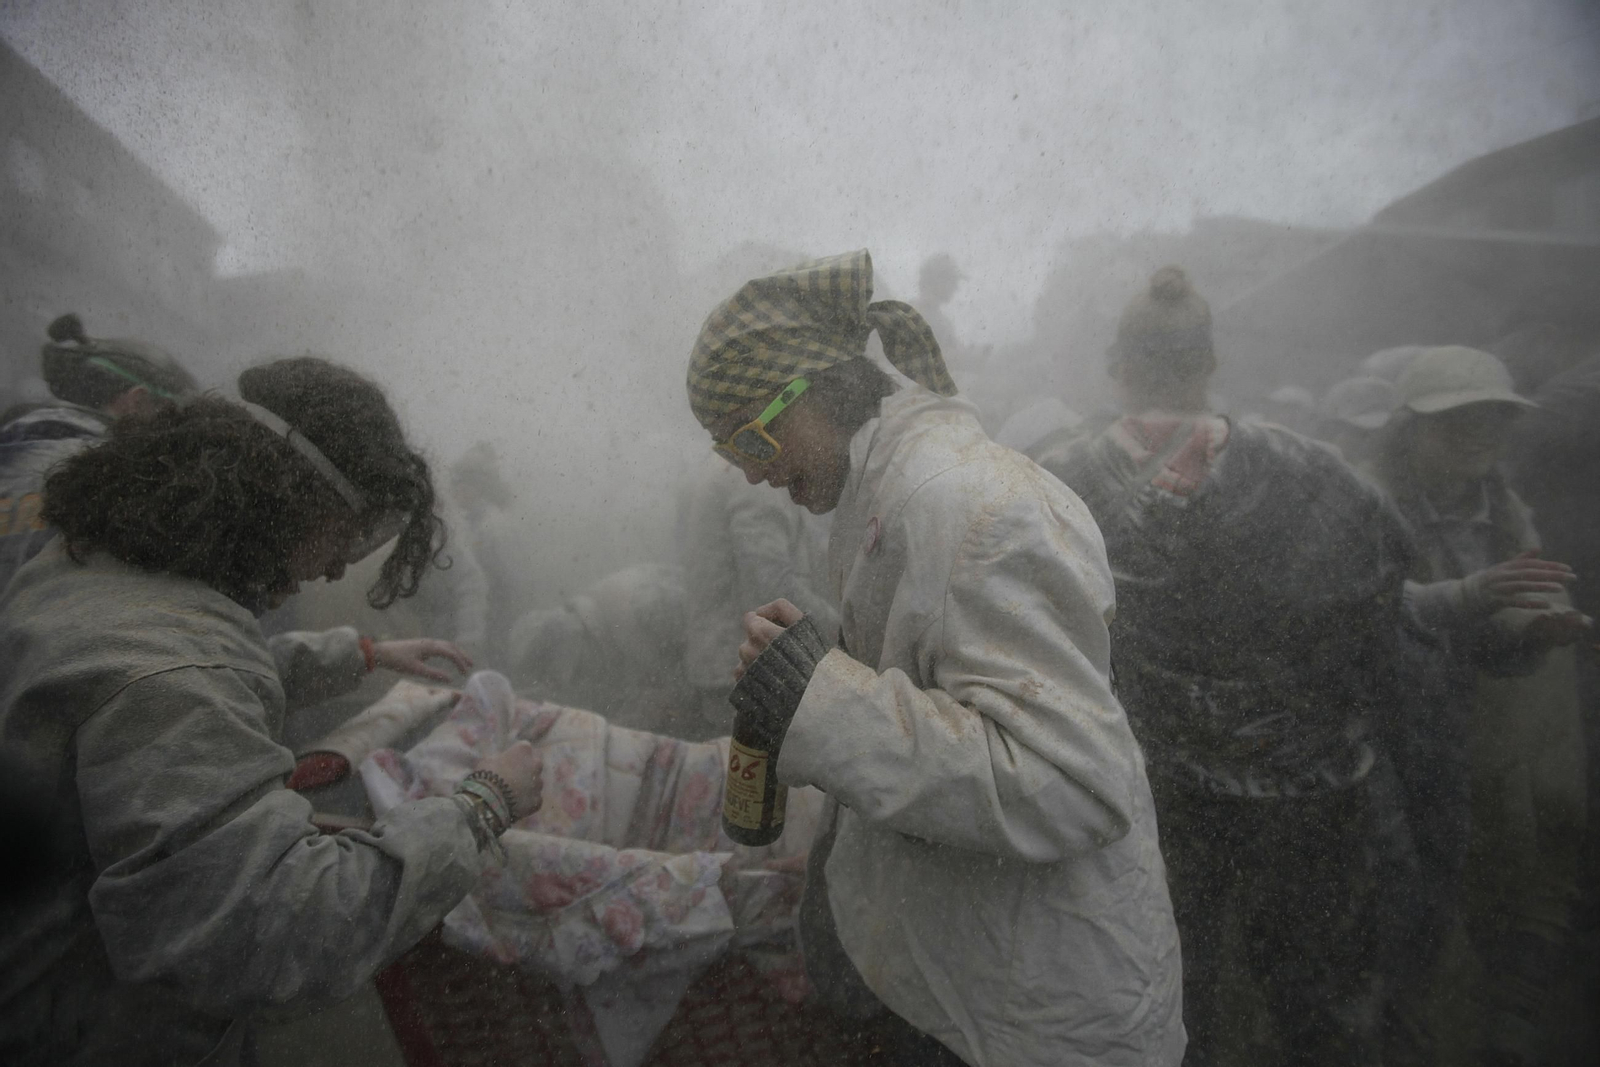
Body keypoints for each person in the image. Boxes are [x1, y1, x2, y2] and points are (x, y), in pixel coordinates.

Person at [686, 250, 1183, 1067]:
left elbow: (1070, 783)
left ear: (809, 389)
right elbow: (943, 686)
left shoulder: (968, 506)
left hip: (1043, 1022)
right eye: (728, 451)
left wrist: (821, 699)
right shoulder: (889, 498)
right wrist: (820, 661)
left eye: (749, 434)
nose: (749, 471)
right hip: (978, 987)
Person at [0, 356, 542, 1067]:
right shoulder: (179, 672)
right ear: (291, 496)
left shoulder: (91, 566)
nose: (338, 567)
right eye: (351, 532)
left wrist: (364, 653)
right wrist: (481, 806)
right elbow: (267, 932)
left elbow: (168, 668)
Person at [1035, 265, 1416, 1067]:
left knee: (1173, 1001)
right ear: (1210, 363)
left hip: (1148, 803)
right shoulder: (1314, 472)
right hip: (1304, 797)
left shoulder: (1055, 483)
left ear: (1119, 367)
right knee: (1318, 1008)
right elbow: (1386, 590)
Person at [1366, 345, 1589, 1067]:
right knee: (1406, 891)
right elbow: (1366, 610)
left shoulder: (1505, 511)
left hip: (1482, 726)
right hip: (1391, 733)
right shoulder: (1369, 502)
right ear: (1410, 429)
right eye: (1456, 420)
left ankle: (1502, 1022)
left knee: (1524, 857)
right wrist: (1471, 598)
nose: (1478, 434)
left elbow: (1517, 604)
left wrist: (1538, 628)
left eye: (1492, 418)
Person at [1, 313, 198, 591]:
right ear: (137, 402)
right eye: (170, 414)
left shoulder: (10, 456)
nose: (174, 433)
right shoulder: (121, 482)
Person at [677, 454, 837, 736]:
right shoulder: (756, 480)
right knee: (756, 761)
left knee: (730, 758)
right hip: (748, 672)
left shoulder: (726, 470)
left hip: (724, 665)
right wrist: (840, 634)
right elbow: (770, 587)